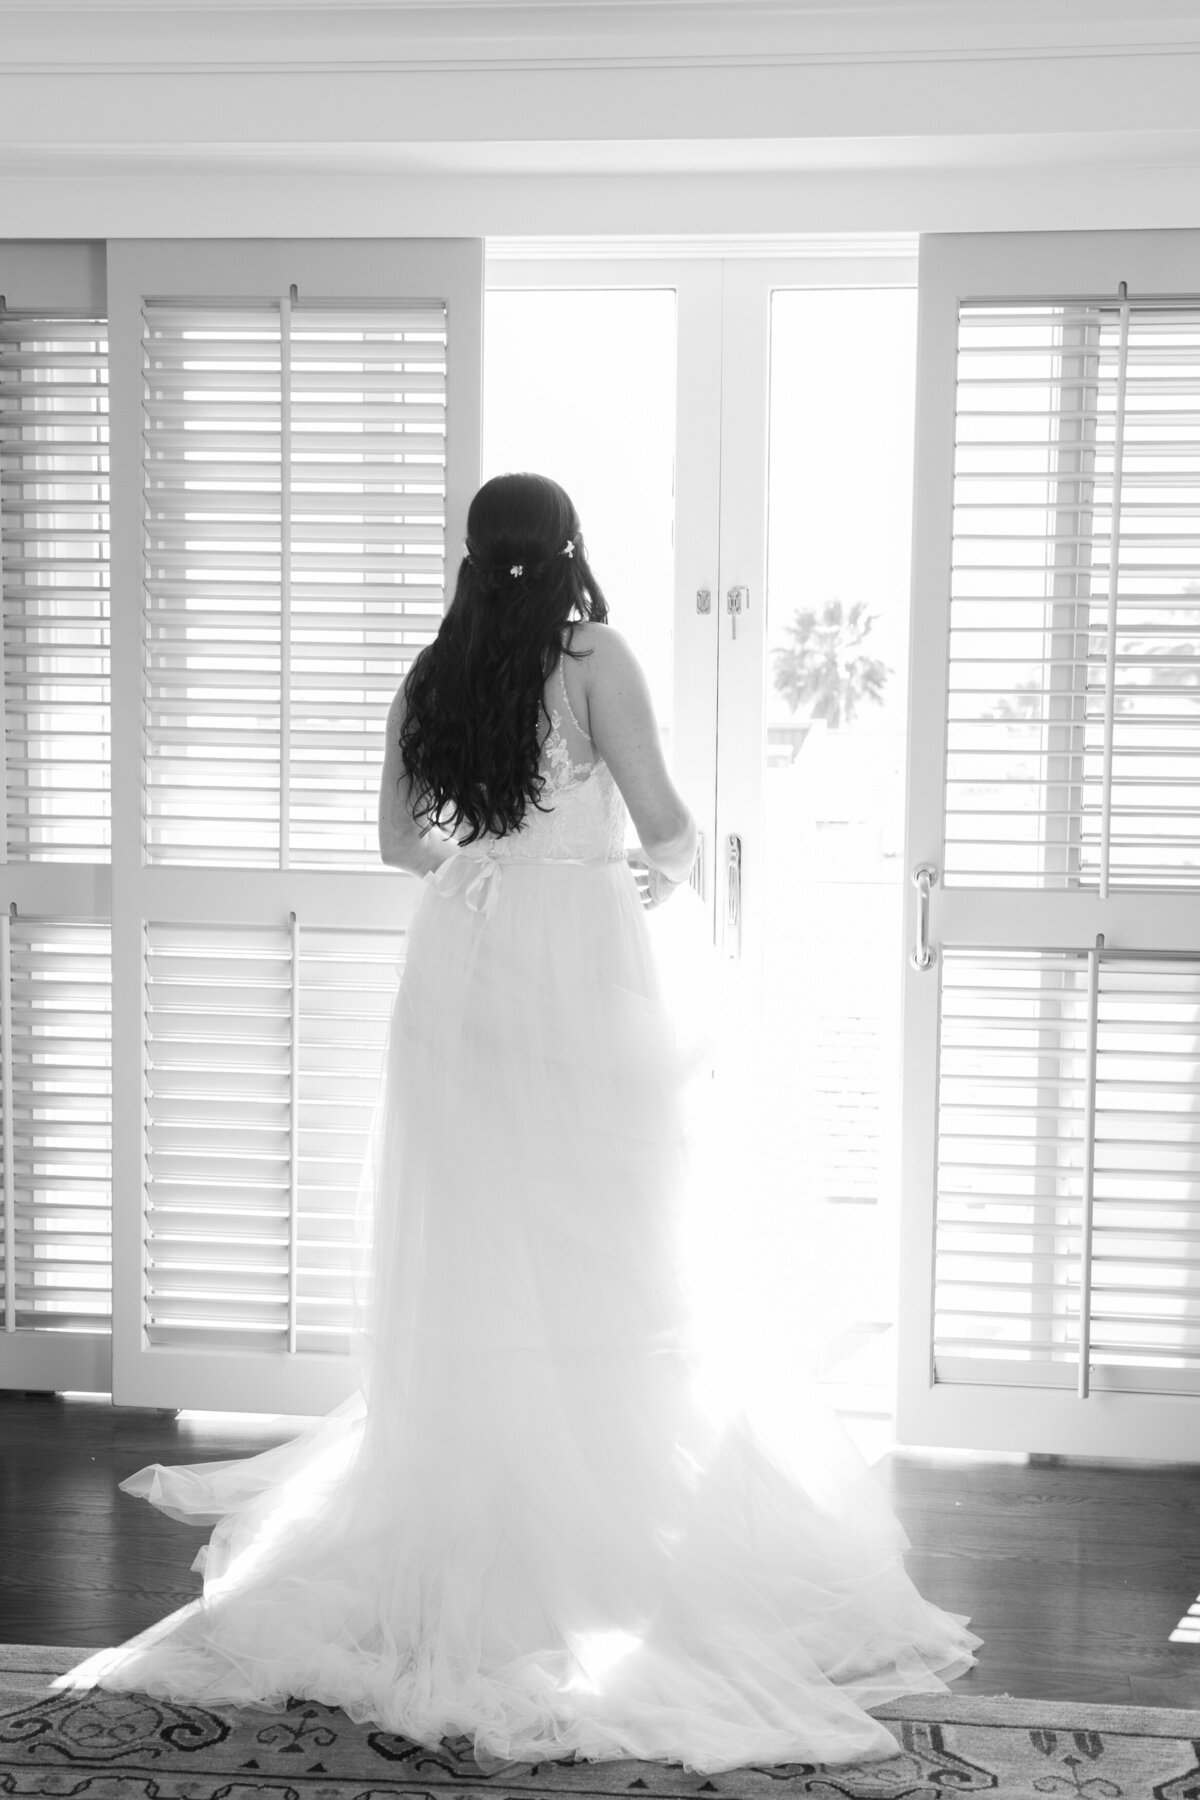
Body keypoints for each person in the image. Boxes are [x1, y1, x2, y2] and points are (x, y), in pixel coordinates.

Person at [54, 472, 980, 1773]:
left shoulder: (435, 671)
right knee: (612, 1241)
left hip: (460, 963)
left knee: (477, 1243)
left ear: (473, 555)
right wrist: (619, 883)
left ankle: (479, 1533)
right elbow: (667, 829)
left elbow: (395, 844)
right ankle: (608, 1542)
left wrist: (484, 870)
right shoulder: (590, 655)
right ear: (566, 551)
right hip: (575, 961)